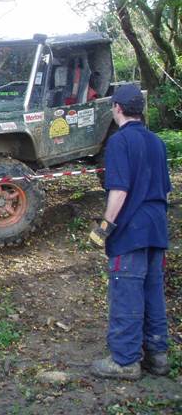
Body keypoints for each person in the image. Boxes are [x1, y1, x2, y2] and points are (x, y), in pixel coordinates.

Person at [88, 84, 171, 380]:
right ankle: (157, 356)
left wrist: (105, 227)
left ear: (117, 109)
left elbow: (120, 190)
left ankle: (125, 361)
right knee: (153, 290)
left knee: (127, 291)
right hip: (157, 227)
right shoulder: (157, 142)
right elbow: (165, 190)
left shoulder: (119, 142)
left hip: (132, 230)